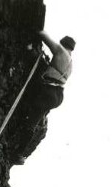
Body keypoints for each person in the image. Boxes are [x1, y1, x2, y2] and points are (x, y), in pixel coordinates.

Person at [12, 31, 76, 164]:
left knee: (30, 122)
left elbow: (41, 34)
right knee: (34, 118)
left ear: (63, 44)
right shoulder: (71, 63)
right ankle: (19, 152)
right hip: (57, 95)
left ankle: (18, 154)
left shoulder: (60, 51)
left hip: (48, 92)